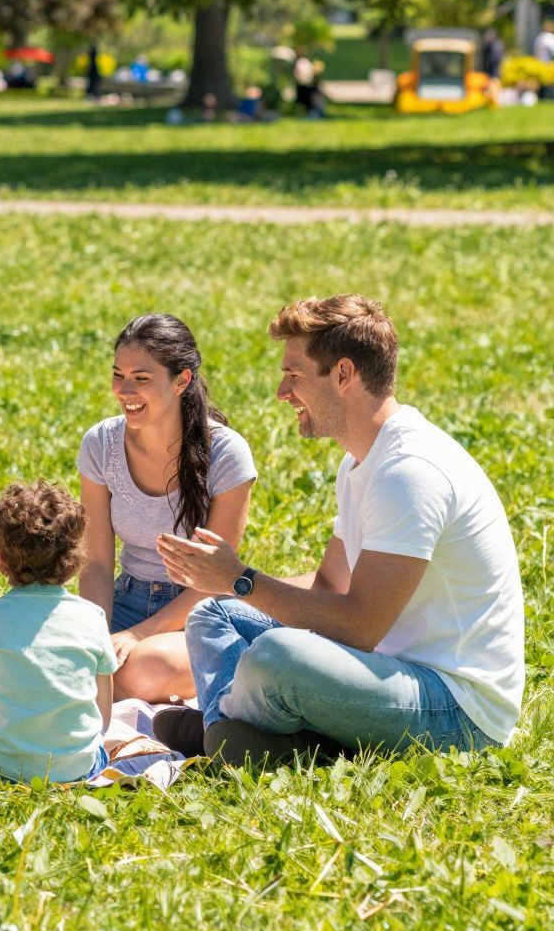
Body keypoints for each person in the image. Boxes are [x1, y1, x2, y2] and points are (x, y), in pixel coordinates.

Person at [156, 296, 525, 767]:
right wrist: (226, 586)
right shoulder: (359, 464)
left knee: (277, 656)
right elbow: (329, 585)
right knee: (216, 616)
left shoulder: (409, 472)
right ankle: (237, 732)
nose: (281, 392)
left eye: (294, 375)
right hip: (388, 669)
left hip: (456, 708)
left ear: (343, 374)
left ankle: (224, 728)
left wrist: (241, 579)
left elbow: (359, 627)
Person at [77, 314, 256, 703]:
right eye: (118, 375)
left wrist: (139, 635)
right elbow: (96, 565)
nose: (125, 390)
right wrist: (95, 639)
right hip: (124, 600)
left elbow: (214, 579)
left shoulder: (226, 453)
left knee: (148, 666)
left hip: (200, 610)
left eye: (141, 378)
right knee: (46, 654)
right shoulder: (100, 444)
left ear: (181, 380)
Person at [0, 479, 115, 785]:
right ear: (75, 559)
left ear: (1, 561)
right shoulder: (93, 616)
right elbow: (103, 716)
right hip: (79, 768)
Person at [292, 50, 326, 117]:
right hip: (305, 84)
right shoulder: (304, 61)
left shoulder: (301, 62)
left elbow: (300, 73)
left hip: (304, 85)